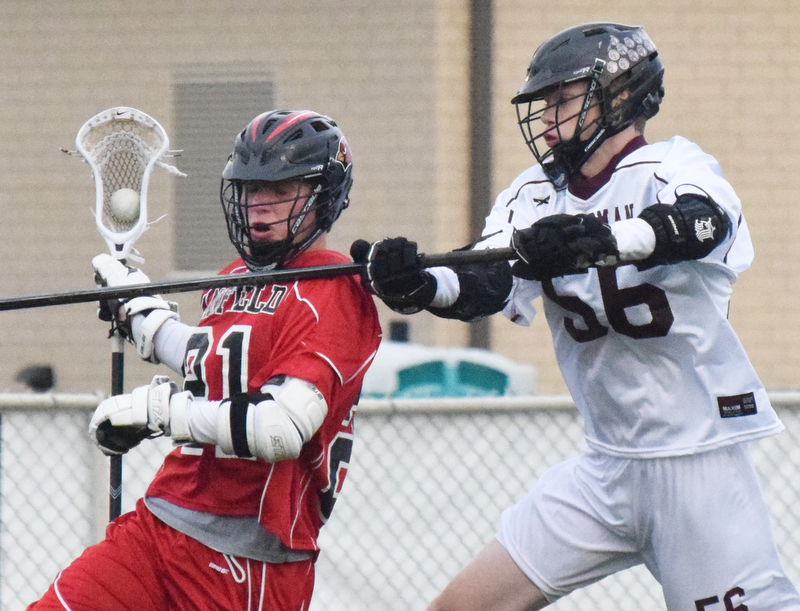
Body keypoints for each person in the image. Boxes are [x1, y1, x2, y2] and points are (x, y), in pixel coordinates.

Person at [352, 22, 800, 611]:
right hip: (604, 469)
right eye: (545, 103)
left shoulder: (673, 166)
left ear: (621, 95)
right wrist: (420, 285)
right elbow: (486, 279)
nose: (546, 118)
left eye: (563, 98)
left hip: (698, 463)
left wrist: (602, 242)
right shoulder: (533, 195)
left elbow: (702, 223)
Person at [28, 110, 381, 611]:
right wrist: (144, 316)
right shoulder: (232, 278)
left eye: (280, 190)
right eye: (250, 189)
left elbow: (279, 429)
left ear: (323, 196)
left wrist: (159, 413)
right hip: (161, 521)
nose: (259, 205)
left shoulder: (334, 289)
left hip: (247, 560)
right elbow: (210, 360)